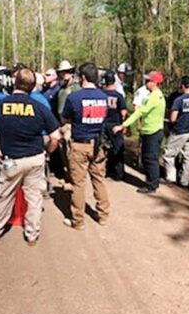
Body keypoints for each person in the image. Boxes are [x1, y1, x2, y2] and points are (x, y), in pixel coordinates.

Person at [0, 68, 60, 246]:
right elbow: (56, 137)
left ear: (15, 84)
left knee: (4, 196)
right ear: (32, 87)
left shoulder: (0, 105)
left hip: (11, 161)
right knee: (34, 199)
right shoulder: (39, 107)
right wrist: (48, 152)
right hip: (35, 159)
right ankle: (32, 235)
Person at [62, 62, 109, 230]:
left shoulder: (74, 97)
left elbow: (65, 118)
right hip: (98, 145)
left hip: (80, 145)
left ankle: (78, 220)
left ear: (82, 78)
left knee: (79, 184)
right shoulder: (104, 97)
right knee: (99, 180)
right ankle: (103, 215)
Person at [114, 71, 165, 194]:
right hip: (152, 131)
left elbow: (140, 112)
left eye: (149, 80)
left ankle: (151, 185)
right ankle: (153, 181)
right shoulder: (156, 95)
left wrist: (124, 125)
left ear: (155, 83)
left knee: (149, 158)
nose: (146, 82)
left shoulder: (154, 97)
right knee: (150, 158)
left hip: (152, 132)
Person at [164, 76, 189, 187]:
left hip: (179, 131)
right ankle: (184, 181)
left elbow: (172, 118)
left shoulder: (179, 100)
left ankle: (171, 178)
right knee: (188, 157)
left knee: (169, 154)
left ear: (183, 85)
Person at [103, 70, 127, 180]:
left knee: (102, 149)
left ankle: (104, 171)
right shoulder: (119, 96)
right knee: (118, 149)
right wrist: (124, 125)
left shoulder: (100, 95)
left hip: (103, 124)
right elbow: (123, 113)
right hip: (115, 125)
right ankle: (118, 174)